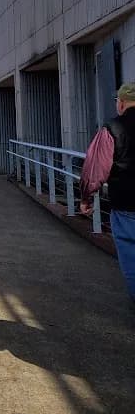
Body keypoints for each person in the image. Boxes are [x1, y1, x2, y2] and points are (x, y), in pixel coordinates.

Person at [80, 82, 135, 303]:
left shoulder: (112, 128)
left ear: (121, 103)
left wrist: (86, 197)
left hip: (126, 207)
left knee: (132, 263)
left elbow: (94, 168)